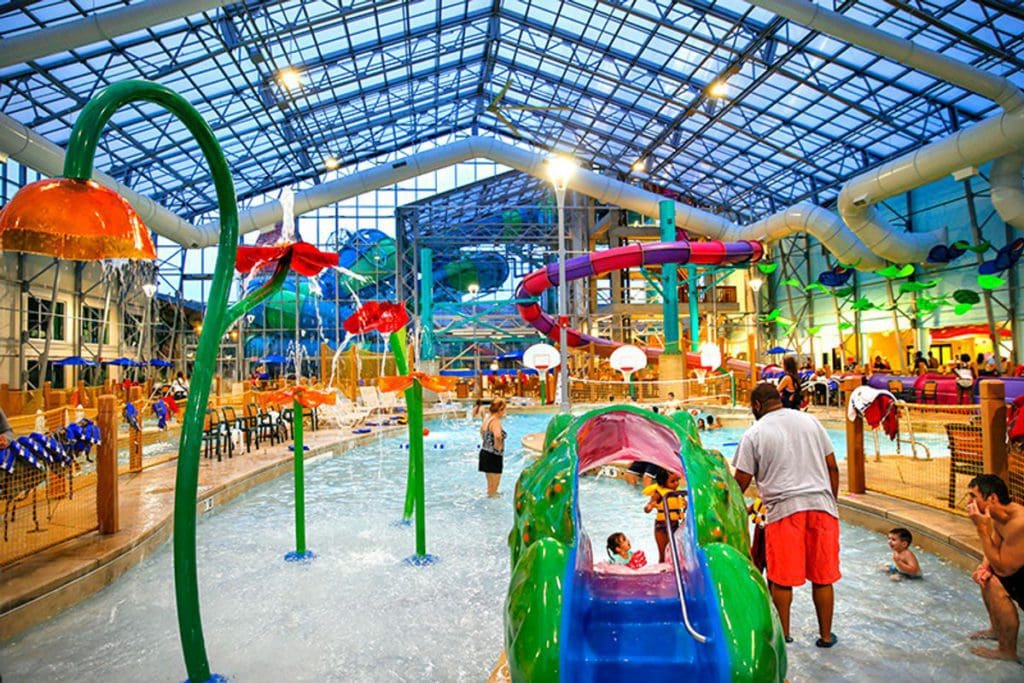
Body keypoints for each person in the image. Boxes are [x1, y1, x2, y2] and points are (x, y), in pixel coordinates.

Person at [733, 383, 840, 647]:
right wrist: (831, 503)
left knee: (781, 579)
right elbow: (832, 466)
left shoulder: (754, 433)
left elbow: (740, 482)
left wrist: (733, 511)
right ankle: (826, 636)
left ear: (757, 406)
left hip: (783, 512)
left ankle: (784, 637)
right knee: (823, 577)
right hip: (822, 507)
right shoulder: (810, 422)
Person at [965, 474, 1024, 661]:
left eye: (974, 496)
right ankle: (997, 630)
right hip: (1015, 570)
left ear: (992, 498)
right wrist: (983, 568)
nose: (969, 502)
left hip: (1014, 570)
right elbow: (994, 548)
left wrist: (981, 529)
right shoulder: (1000, 516)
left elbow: (1004, 568)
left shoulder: (1019, 523)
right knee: (986, 578)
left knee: (996, 585)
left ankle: (1007, 651)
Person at [643, 469, 687, 562]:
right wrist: (650, 507)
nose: (676, 483)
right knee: (663, 554)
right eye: (672, 481)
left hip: (675, 524)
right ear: (663, 483)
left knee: (675, 552)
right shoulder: (658, 493)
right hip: (662, 526)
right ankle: (661, 572)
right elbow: (649, 506)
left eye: (677, 480)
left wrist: (686, 505)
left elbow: (684, 505)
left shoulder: (679, 493)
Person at [478, 398, 507, 497]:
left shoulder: (487, 419)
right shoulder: (495, 421)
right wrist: (497, 449)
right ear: (500, 409)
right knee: (494, 487)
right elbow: (498, 436)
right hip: (493, 455)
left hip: (485, 453)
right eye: (504, 409)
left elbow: (481, 432)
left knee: (490, 486)